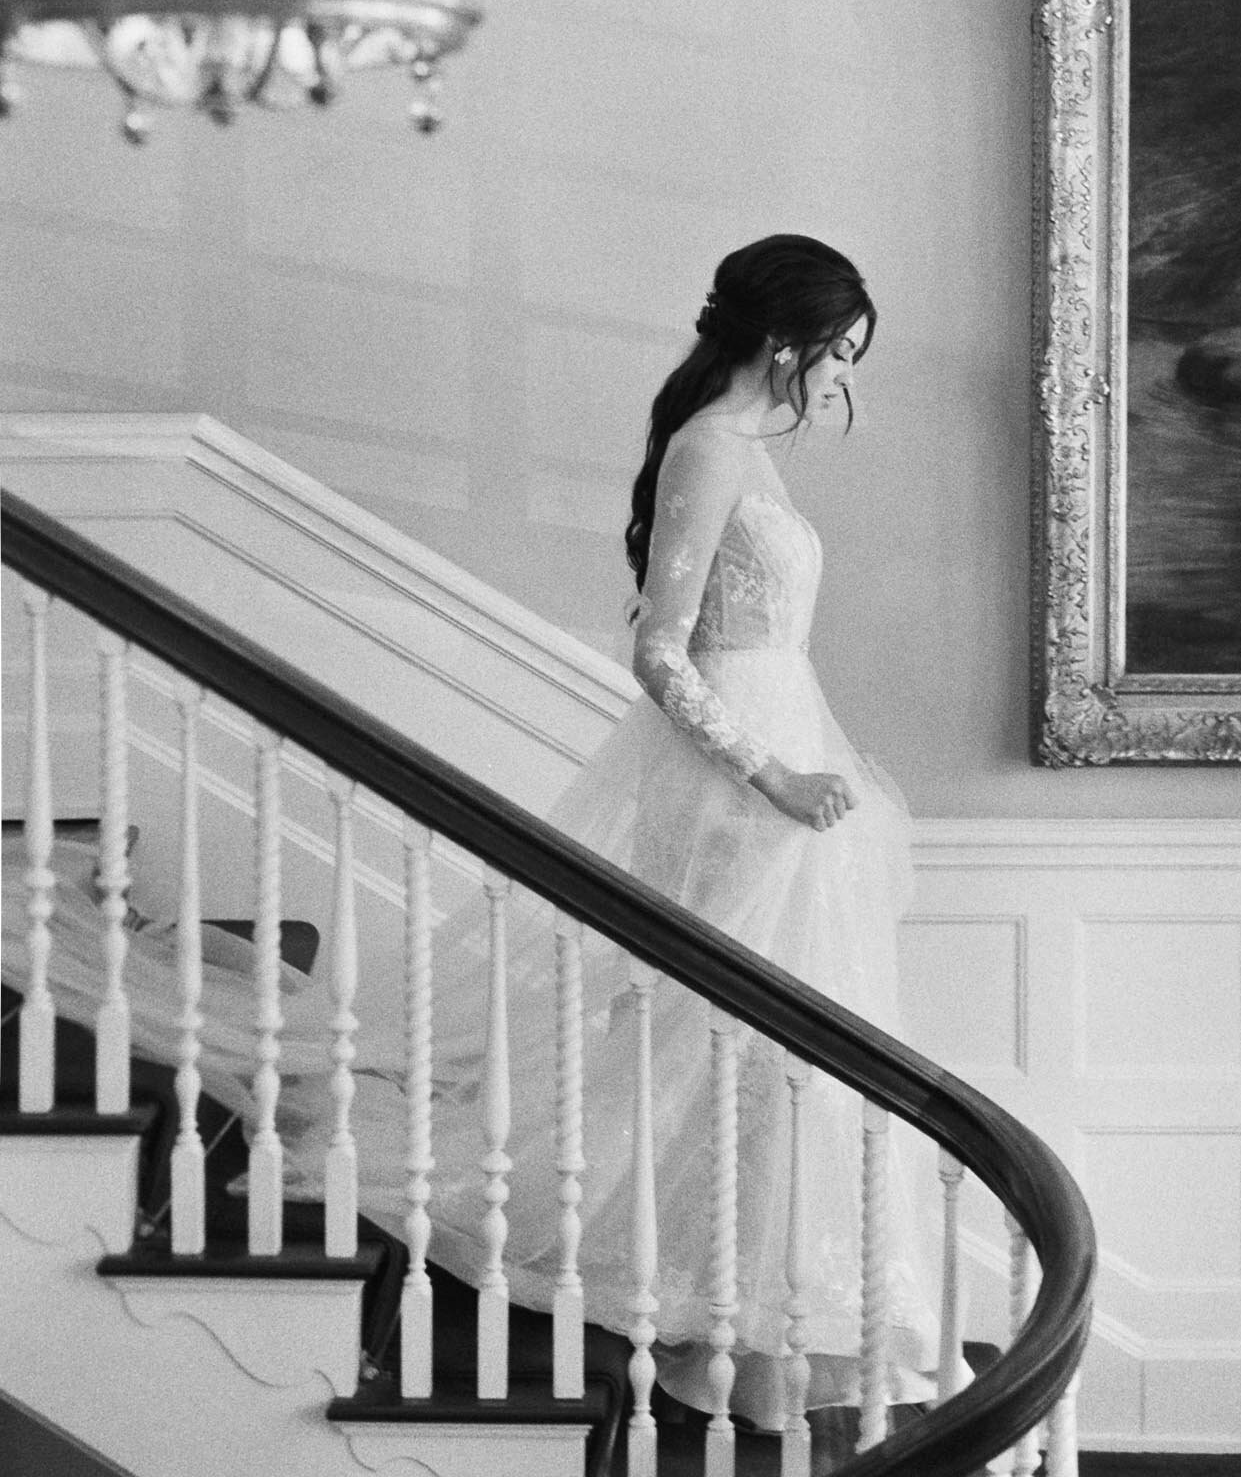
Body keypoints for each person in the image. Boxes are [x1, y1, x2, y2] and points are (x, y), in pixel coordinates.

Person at [3, 234, 947, 1429]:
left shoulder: (754, 449)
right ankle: (701, 1318)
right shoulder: (710, 448)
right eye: (836, 356)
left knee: (767, 1056)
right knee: (713, 1043)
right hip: (733, 787)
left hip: (781, 758)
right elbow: (660, 652)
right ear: (783, 341)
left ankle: (749, 1325)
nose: (841, 386)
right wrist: (770, 776)